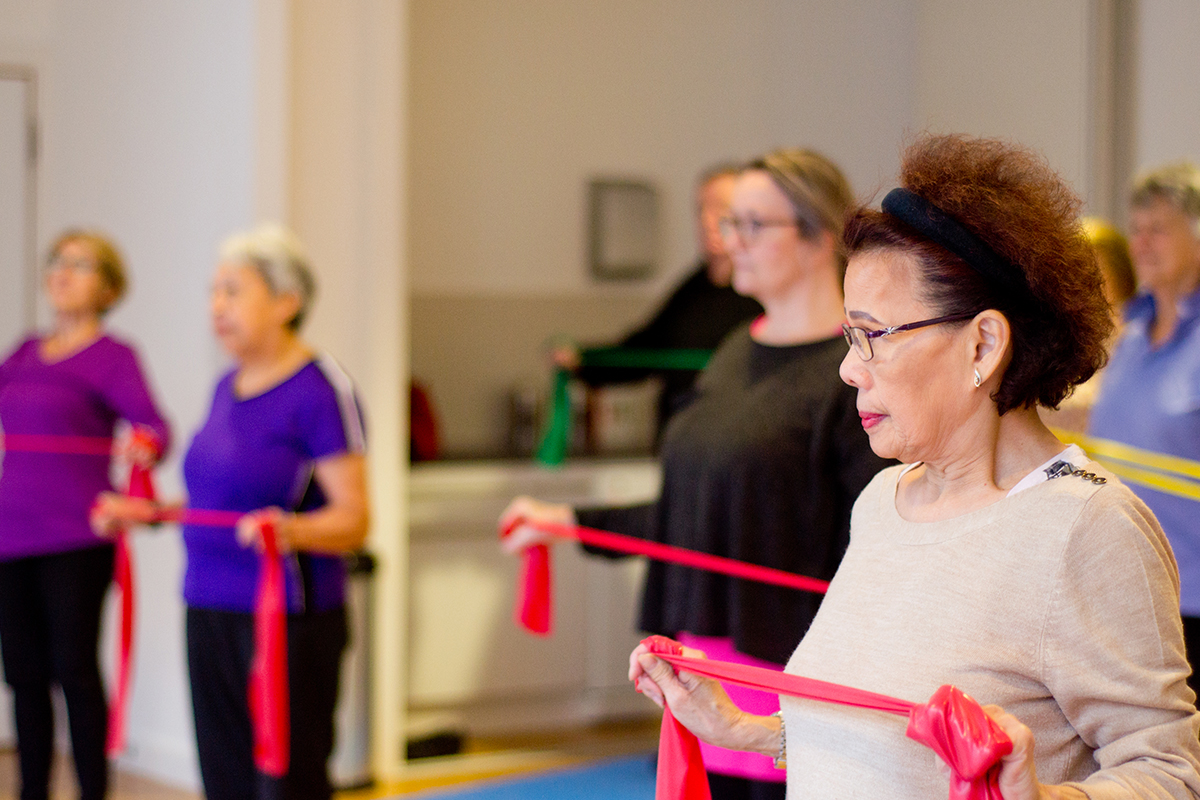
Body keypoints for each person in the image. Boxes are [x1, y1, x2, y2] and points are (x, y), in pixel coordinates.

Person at [630, 134, 1200, 798]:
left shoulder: (1088, 528)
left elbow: (1169, 775)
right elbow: (880, 735)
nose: (848, 368)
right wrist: (747, 728)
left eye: (872, 335)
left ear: (982, 344)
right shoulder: (884, 501)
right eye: (849, 337)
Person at [503, 149, 889, 800]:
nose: (727, 241)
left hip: (791, 693)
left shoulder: (853, 374)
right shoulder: (738, 350)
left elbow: (883, 547)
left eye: (750, 226)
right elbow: (694, 515)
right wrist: (568, 523)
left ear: (820, 236)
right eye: (726, 223)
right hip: (703, 678)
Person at [91, 224, 369, 800]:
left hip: (288, 619)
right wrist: (146, 512)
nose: (216, 306)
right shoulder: (225, 386)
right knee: (224, 782)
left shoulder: (322, 389)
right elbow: (216, 504)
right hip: (208, 604)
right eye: (213, 291)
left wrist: (289, 530)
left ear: (287, 302)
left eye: (233, 291)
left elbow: (354, 520)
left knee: (286, 783)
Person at [0, 230, 171, 800]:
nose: (61, 272)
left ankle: (94, 793)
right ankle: (30, 793)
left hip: (78, 537)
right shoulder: (24, 352)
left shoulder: (114, 357)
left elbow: (154, 429)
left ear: (108, 287)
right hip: (11, 536)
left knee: (73, 669)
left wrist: (144, 447)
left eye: (79, 264)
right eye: (56, 261)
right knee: (23, 674)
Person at [1089, 161, 1200, 697]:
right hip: (1128, 591)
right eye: (1135, 228)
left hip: (1193, 599)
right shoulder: (1130, 332)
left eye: (1158, 228)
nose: (1141, 242)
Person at [564, 164, 763, 437]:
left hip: (736, 445)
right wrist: (582, 360)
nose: (707, 221)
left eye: (720, 207)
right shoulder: (691, 288)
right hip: (681, 444)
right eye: (700, 209)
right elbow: (647, 349)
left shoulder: (764, 294)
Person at [1040, 217, 1135, 432]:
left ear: (1121, 276)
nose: (1081, 284)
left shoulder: (1136, 338)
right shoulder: (1058, 335)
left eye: (1094, 275)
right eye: (1073, 273)